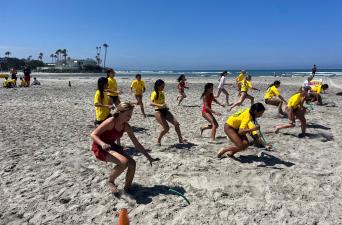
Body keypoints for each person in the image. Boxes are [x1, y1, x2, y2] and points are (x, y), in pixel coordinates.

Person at [90, 102, 159, 195]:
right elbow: (93, 134)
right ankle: (111, 181)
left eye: (131, 115)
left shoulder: (126, 126)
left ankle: (127, 188)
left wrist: (149, 157)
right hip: (100, 147)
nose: (129, 117)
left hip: (111, 146)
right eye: (128, 115)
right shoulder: (111, 121)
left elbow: (137, 144)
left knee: (132, 164)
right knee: (124, 162)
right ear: (120, 112)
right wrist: (102, 144)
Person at [150, 79, 187, 145]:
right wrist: (160, 105)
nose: (163, 88)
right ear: (157, 86)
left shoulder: (162, 92)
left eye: (164, 86)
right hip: (158, 111)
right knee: (166, 128)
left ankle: (180, 139)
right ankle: (159, 139)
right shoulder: (154, 93)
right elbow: (151, 103)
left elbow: (162, 102)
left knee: (176, 124)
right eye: (162, 86)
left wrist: (165, 106)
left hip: (165, 110)